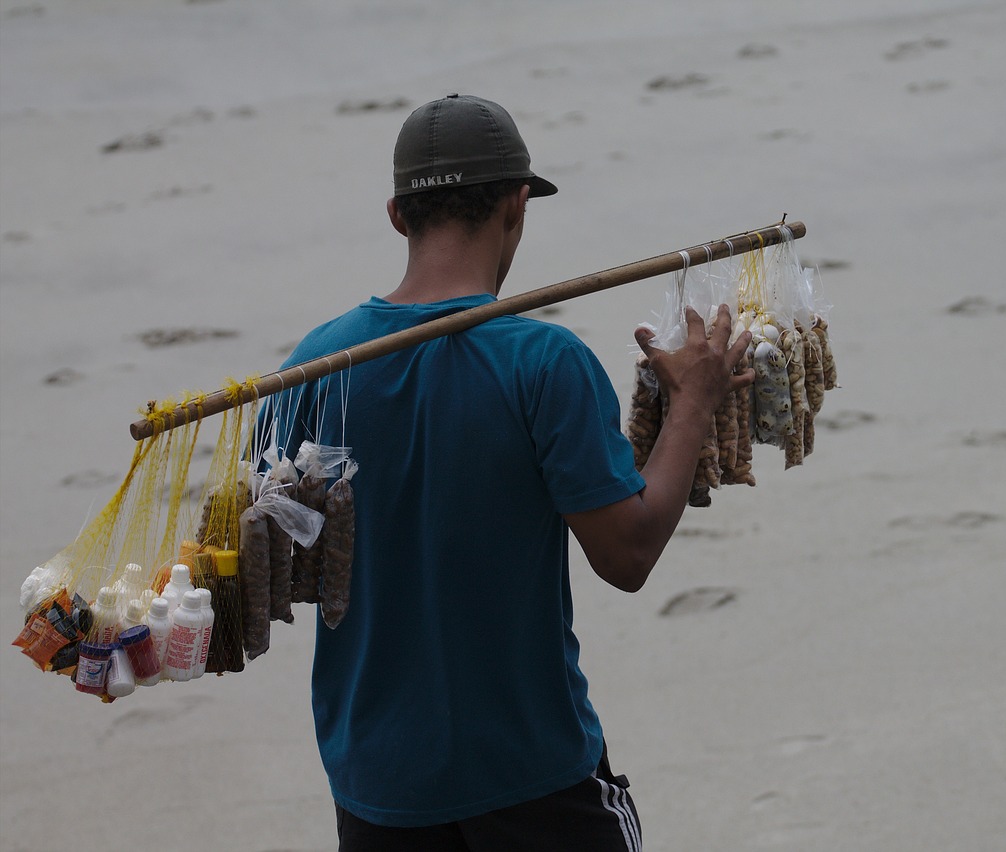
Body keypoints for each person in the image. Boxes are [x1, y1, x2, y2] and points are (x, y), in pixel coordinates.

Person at [276, 94, 752, 851]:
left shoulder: (312, 368)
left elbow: (289, 560)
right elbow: (626, 555)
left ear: (398, 214)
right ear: (517, 203)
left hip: (377, 788)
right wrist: (693, 404)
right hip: (534, 781)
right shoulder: (544, 363)